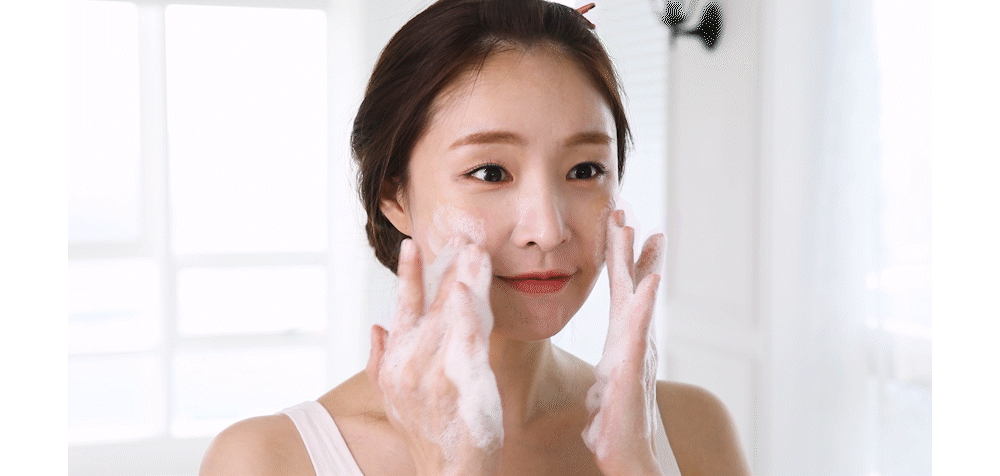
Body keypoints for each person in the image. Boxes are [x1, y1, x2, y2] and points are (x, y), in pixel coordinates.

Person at [200, 1, 751, 475]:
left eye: (584, 170)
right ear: (395, 196)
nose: (547, 230)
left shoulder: (689, 429)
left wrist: (634, 463)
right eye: (490, 173)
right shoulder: (268, 459)